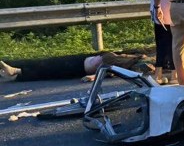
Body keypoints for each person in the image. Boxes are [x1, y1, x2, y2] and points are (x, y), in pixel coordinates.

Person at [0, 52, 154, 83]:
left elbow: (112, 72)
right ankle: (15, 70)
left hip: (79, 67)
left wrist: (93, 77)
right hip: (84, 59)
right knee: (47, 63)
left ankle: (16, 72)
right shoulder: (135, 57)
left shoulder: (130, 66)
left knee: (48, 69)